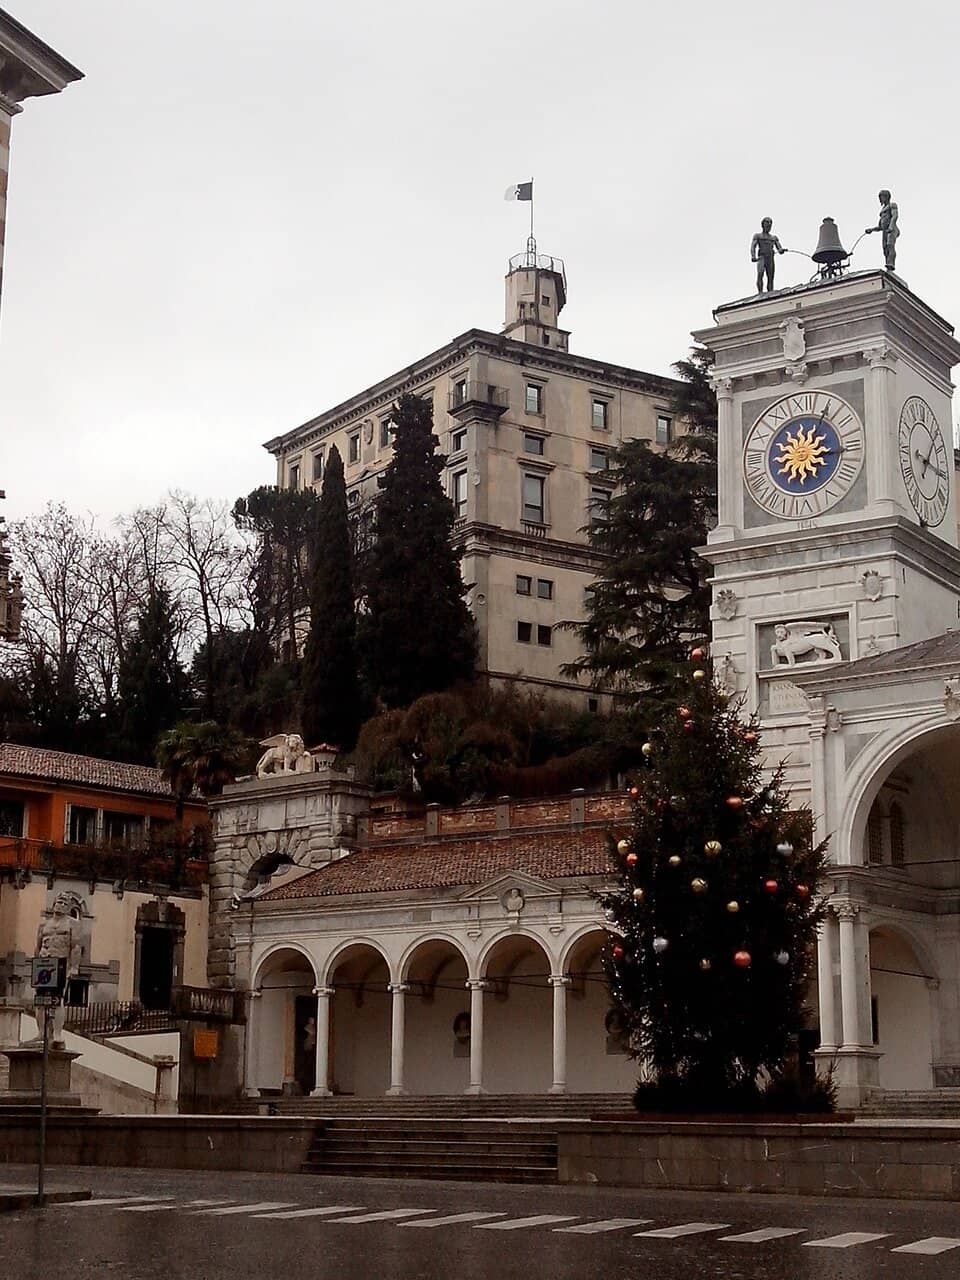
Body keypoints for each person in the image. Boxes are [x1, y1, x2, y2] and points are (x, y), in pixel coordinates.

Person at [865, 190, 899, 271]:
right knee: (885, 249)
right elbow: (880, 226)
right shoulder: (882, 211)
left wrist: (891, 226)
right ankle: (888, 263)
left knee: (890, 245)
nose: (880, 199)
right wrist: (871, 230)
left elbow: (895, 216)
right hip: (885, 231)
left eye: (881, 197)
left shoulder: (892, 205)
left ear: (886, 197)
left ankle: (891, 263)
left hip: (892, 229)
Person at [750, 217, 785, 292]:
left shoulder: (774, 238)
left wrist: (781, 250)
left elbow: (779, 248)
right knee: (760, 274)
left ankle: (770, 292)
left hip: (770, 258)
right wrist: (753, 256)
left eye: (770, 223)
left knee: (770, 277)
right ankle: (760, 292)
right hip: (762, 257)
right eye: (767, 222)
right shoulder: (758, 236)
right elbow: (753, 246)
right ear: (763, 224)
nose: (769, 224)